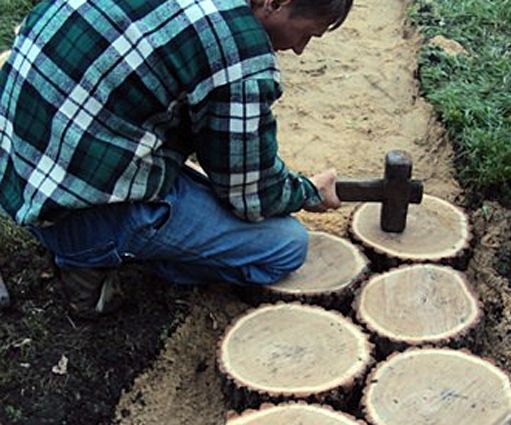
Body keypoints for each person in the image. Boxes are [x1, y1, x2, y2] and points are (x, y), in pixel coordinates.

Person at [0, 0, 351, 318]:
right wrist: (307, 192)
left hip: (16, 167)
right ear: (276, 2)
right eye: (306, 34)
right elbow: (250, 195)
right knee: (286, 245)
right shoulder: (238, 53)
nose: (300, 50)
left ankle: (94, 241)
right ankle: (91, 257)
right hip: (71, 211)